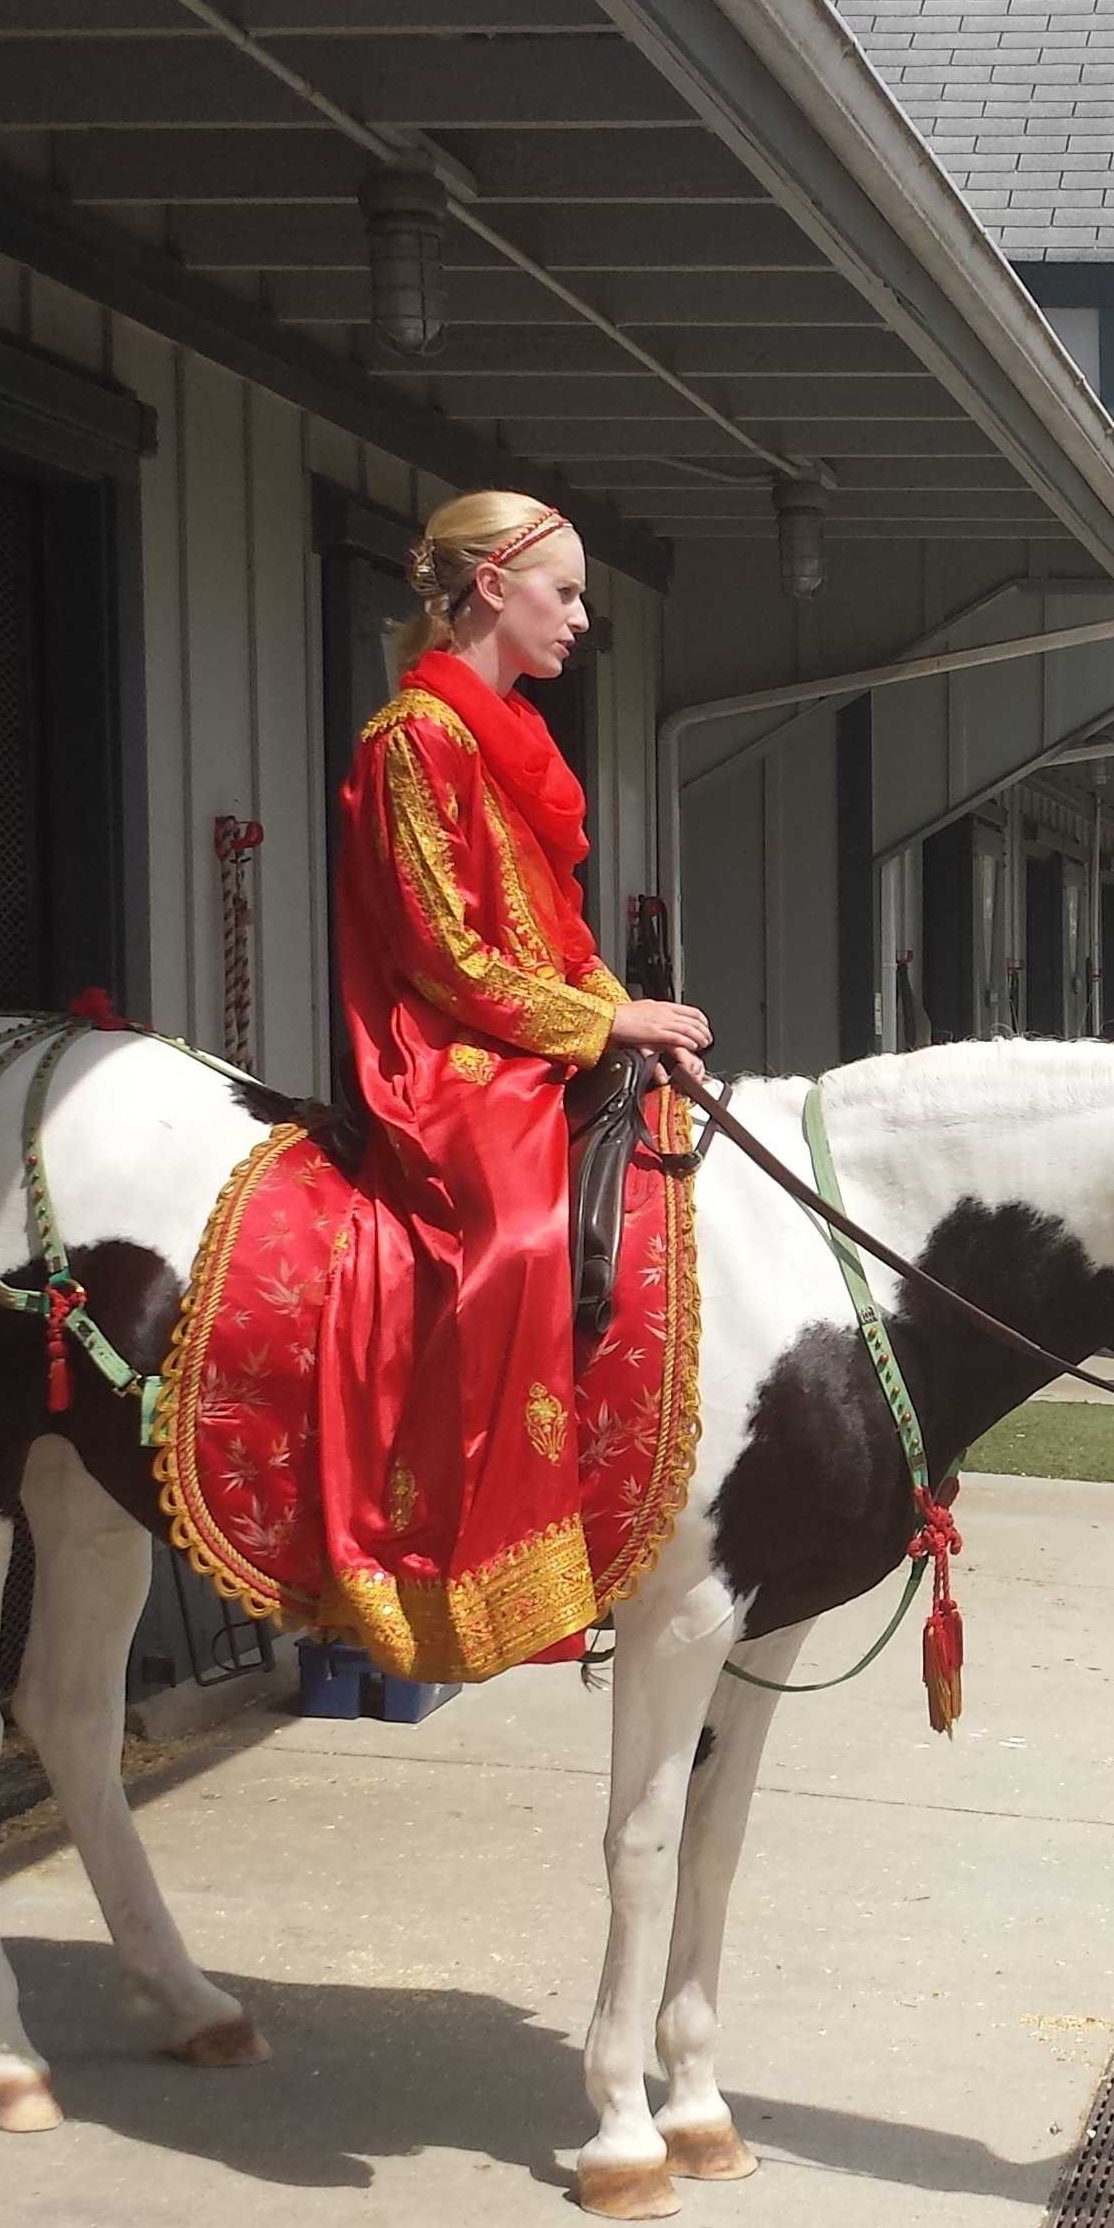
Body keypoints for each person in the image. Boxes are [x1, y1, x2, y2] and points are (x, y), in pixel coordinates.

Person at [316, 491, 711, 1682]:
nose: (582, 617)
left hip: (534, 1028)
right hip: (447, 1055)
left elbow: (552, 933)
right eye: (566, 590)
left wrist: (633, 1023)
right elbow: (445, 956)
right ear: (492, 586)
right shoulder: (410, 739)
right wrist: (604, 1019)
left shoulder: (505, 733)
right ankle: (459, 1555)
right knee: (521, 1231)